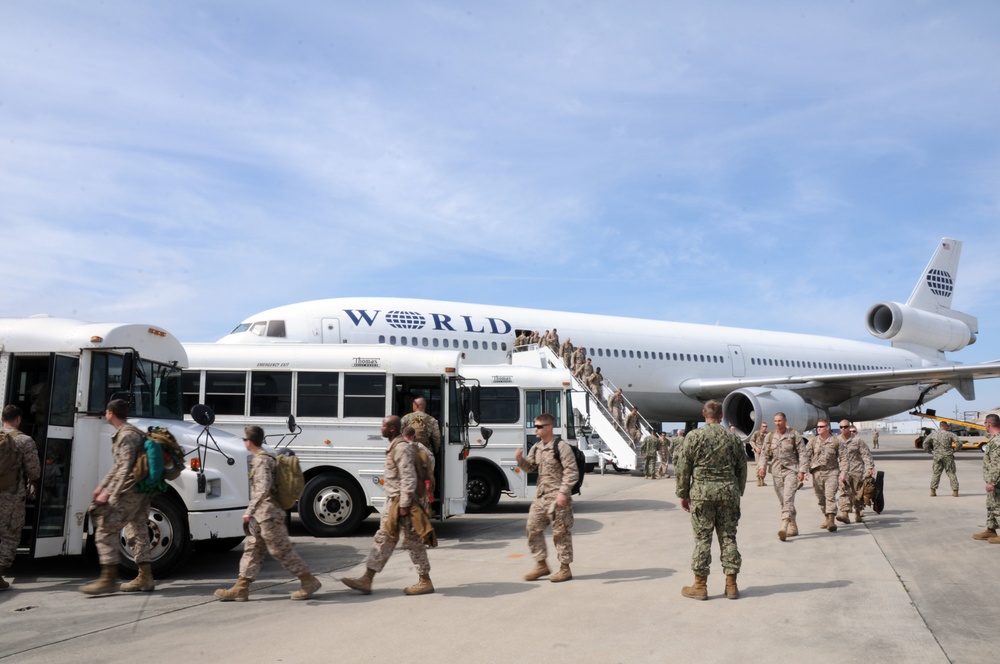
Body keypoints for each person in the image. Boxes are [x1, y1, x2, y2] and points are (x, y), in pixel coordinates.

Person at [215, 426, 321, 601]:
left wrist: (248, 512)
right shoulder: (262, 458)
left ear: (249, 441)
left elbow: (263, 488)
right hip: (262, 515)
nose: (244, 442)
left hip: (268, 514)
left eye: (244, 439)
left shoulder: (262, 460)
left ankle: (308, 580)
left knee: (281, 550)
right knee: (252, 549)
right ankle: (241, 588)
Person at [342, 416, 436, 595]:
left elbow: (408, 477)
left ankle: (425, 581)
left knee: (412, 542)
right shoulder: (395, 447)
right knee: (384, 539)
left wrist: (405, 504)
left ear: (392, 428)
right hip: (394, 502)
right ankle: (367, 579)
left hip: (402, 503)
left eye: (384, 425)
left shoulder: (401, 448)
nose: (381, 428)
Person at [81, 399, 155, 595]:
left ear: (111, 413)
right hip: (140, 489)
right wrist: (102, 485)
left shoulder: (126, 435)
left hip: (130, 490)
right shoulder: (129, 432)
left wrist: (109, 493)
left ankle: (108, 579)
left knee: (105, 527)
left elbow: (125, 468)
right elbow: (118, 466)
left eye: (106, 412)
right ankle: (145, 577)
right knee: (138, 530)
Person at [676, 400, 747, 600]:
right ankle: (731, 585)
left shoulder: (694, 436)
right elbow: (742, 468)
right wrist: (738, 491)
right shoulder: (733, 438)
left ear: (703, 414)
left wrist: (683, 493)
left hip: (702, 494)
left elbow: (683, 468)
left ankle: (700, 586)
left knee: (702, 539)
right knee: (728, 537)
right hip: (728, 493)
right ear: (722, 416)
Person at [515, 413, 578, 583]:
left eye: (539, 426)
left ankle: (565, 569)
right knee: (532, 529)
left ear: (549, 427)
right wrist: (520, 460)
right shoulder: (536, 448)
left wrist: (563, 493)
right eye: (535, 426)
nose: (535, 429)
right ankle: (541, 564)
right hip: (541, 497)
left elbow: (572, 472)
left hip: (558, 499)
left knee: (561, 533)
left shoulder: (562, 447)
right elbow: (530, 468)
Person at [0, 405, 41, 591]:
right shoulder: (25, 440)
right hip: (11, 496)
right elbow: (34, 471)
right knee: (9, 535)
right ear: (18, 420)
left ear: (2, 419)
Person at [756, 412, 807, 541]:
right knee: (783, 501)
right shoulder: (770, 436)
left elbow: (802, 453)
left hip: (791, 470)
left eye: (780, 421)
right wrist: (761, 468)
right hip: (776, 471)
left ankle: (784, 525)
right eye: (776, 421)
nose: (778, 423)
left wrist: (802, 470)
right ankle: (794, 527)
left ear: (785, 420)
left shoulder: (794, 435)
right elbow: (764, 454)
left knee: (788, 497)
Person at [808, 419, 844, 532]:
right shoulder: (813, 441)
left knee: (830, 496)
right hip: (817, 473)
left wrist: (843, 472)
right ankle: (826, 518)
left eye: (821, 426)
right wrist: (803, 471)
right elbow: (806, 456)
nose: (819, 428)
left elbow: (844, 458)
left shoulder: (835, 441)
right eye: (818, 427)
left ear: (827, 427)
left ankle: (831, 520)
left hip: (831, 472)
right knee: (821, 499)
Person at [836, 420, 875, 524]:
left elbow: (865, 454)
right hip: (843, 471)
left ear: (849, 427)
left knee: (857, 493)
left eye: (845, 427)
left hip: (857, 470)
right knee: (843, 491)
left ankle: (857, 513)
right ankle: (845, 514)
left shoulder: (857, 441)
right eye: (841, 427)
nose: (843, 429)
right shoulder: (836, 440)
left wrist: (869, 467)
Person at [974, 413, 1000, 542]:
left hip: (997, 481)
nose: (984, 426)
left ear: (988, 424)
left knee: (997, 506)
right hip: (994, 480)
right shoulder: (993, 439)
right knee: (991, 505)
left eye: (985, 423)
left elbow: (997, 464)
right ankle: (991, 530)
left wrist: (992, 481)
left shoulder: (997, 441)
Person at [924, 421, 960, 497]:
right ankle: (955, 491)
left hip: (937, 456)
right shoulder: (950, 434)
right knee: (951, 473)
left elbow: (925, 443)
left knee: (936, 473)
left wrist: (930, 451)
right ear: (944, 426)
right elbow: (959, 443)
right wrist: (954, 450)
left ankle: (933, 491)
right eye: (947, 426)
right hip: (948, 456)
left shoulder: (933, 434)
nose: (948, 427)